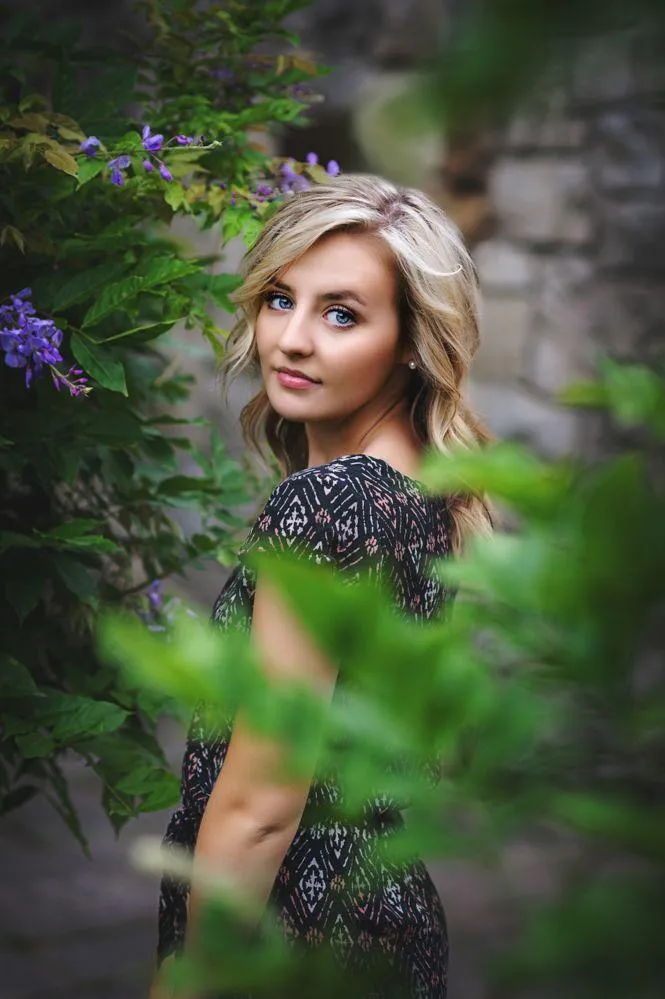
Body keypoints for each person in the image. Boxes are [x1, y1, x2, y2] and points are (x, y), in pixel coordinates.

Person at [152, 174, 493, 999]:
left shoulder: (330, 501)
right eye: (280, 299)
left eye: (341, 314)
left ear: (410, 341)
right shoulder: (425, 487)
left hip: (293, 938)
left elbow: (261, 805)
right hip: (385, 921)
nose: (291, 339)